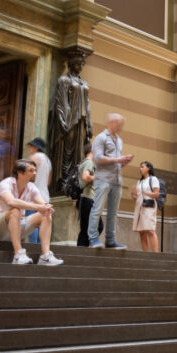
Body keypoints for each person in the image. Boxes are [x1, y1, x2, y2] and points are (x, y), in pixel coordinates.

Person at [0, 159, 63, 266]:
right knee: (15, 210)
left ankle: (45, 257)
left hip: (18, 227)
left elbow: (42, 204)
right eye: (31, 170)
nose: (35, 173)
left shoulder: (31, 187)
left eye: (35, 170)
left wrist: (47, 208)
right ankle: (18, 254)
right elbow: (11, 201)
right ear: (20, 172)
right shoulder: (5, 184)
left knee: (45, 214)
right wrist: (38, 206)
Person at [47, 49, 93, 194]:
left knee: (78, 152)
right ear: (71, 64)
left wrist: (89, 123)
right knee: (66, 152)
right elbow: (61, 102)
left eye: (82, 64)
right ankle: (63, 180)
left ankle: (73, 181)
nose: (80, 66)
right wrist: (64, 121)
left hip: (81, 121)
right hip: (69, 120)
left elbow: (87, 104)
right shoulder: (64, 80)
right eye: (78, 63)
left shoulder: (83, 82)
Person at [88, 113, 133, 249]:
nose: (120, 127)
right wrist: (118, 160)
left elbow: (115, 162)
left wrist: (124, 162)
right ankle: (93, 239)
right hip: (103, 179)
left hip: (117, 180)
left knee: (113, 212)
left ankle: (110, 240)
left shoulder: (119, 140)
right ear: (111, 123)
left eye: (121, 124)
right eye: (118, 123)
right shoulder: (101, 138)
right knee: (97, 209)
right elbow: (97, 158)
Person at [76, 141, 102, 247]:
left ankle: (81, 252)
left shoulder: (85, 162)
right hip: (88, 199)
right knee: (98, 226)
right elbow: (85, 177)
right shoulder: (89, 162)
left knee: (85, 229)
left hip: (84, 199)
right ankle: (85, 249)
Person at [131, 161, 161, 252]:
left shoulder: (153, 179)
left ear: (148, 168)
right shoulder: (139, 181)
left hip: (149, 207)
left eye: (142, 167)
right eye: (140, 167)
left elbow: (156, 194)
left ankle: (156, 254)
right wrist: (133, 194)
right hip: (139, 207)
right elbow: (136, 197)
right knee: (142, 232)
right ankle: (145, 254)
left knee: (150, 230)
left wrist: (145, 193)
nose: (140, 169)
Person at [26, 137, 51, 244]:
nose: (29, 148)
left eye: (31, 146)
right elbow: (48, 181)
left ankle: (33, 247)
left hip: (33, 197)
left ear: (36, 148)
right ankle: (42, 251)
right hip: (45, 196)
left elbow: (29, 175)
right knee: (42, 224)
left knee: (32, 224)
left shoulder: (35, 157)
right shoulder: (47, 160)